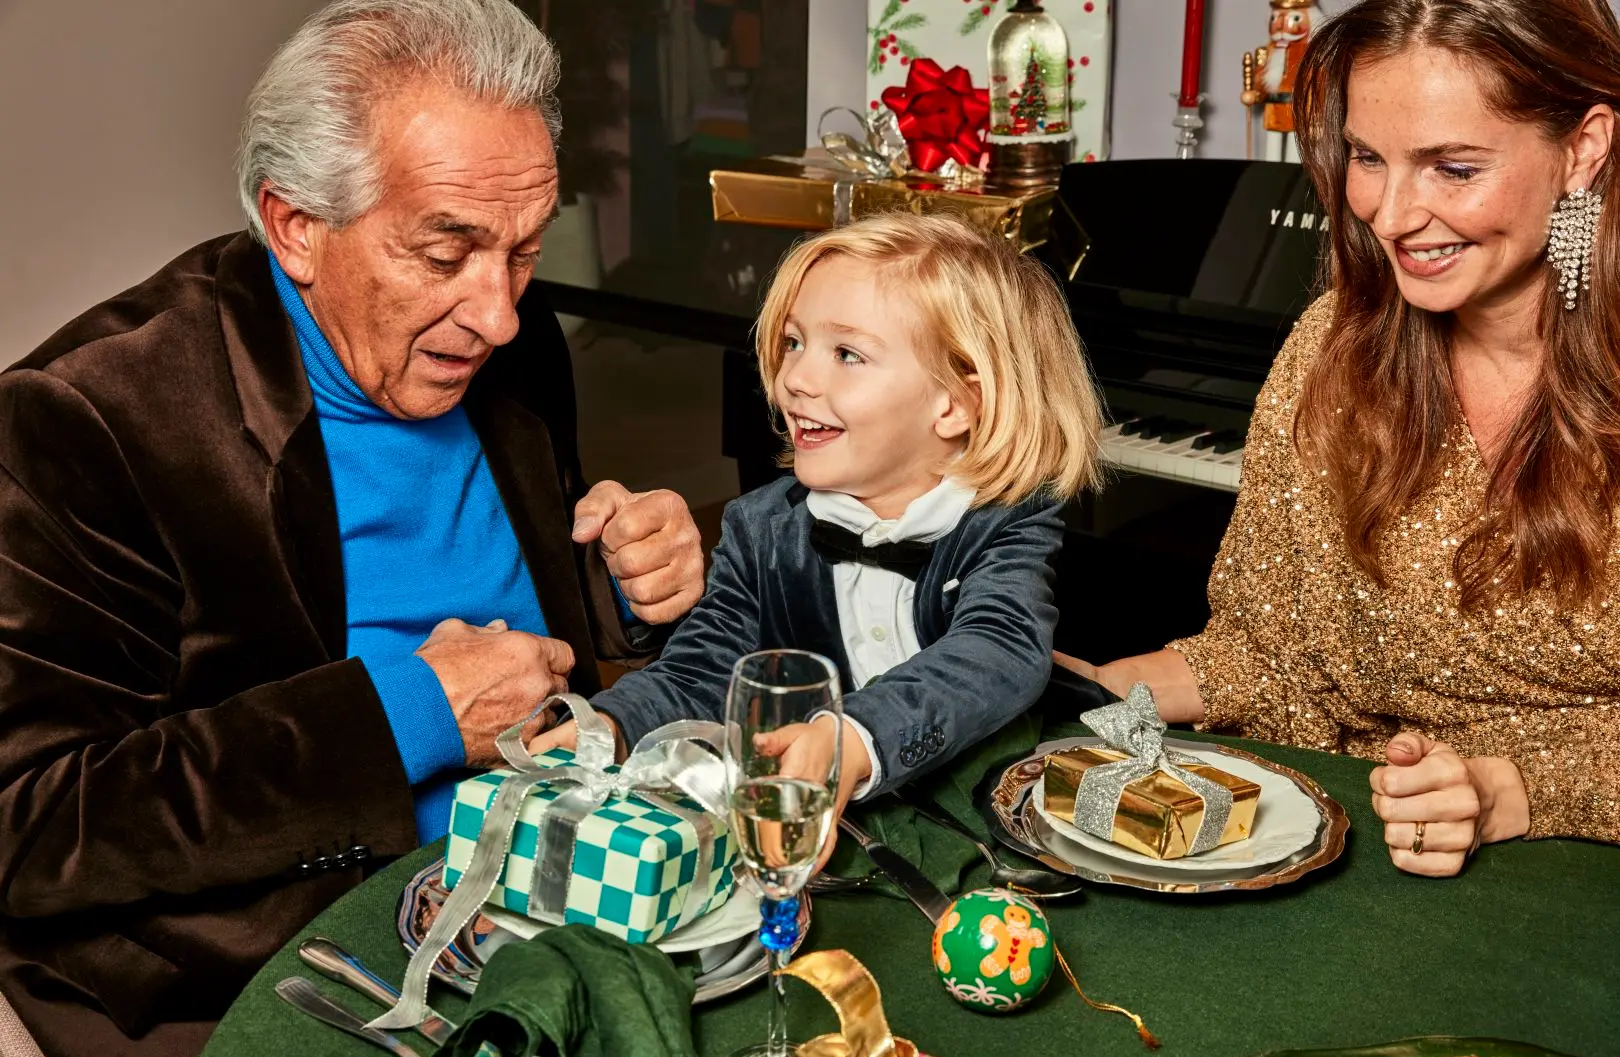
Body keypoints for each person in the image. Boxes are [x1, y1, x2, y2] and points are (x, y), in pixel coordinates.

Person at [0, 1, 705, 1057]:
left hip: (541, 914)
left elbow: (524, 612)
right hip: (275, 982)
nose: (501, 313)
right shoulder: (88, 418)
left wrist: (619, 588)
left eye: (523, 251)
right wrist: (410, 713)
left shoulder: (506, 347)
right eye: (446, 250)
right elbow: (34, 825)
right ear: (295, 226)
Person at [1067, 0, 1620, 877]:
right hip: (1326, 831)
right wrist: (1087, 689)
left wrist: (1516, 789)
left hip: (1567, 874)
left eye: (1452, 167)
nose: (1391, 215)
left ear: (1584, 147)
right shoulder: (1334, 342)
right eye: (1368, 158)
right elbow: (1266, 652)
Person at [531, 213, 1105, 826]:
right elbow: (700, 671)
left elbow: (997, 648)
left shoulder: (1008, 521)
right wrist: (610, 726)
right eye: (794, 342)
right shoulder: (760, 529)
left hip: (995, 812)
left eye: (847, 354)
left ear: (957, 404)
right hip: (837, 829)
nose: (795, 378)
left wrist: (854, 738)